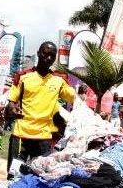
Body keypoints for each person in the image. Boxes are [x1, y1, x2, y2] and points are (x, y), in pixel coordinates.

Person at [5, 41, 75, 172]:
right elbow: (11, 103)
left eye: (52, 56)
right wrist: (11, 108)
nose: (48, 58)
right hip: (21, 136)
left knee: (41, 176)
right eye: (45, 53)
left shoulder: (59, 80)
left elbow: (75, 99)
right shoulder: (23, 77)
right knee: (13, 174)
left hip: (44, 138)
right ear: (38, 53)